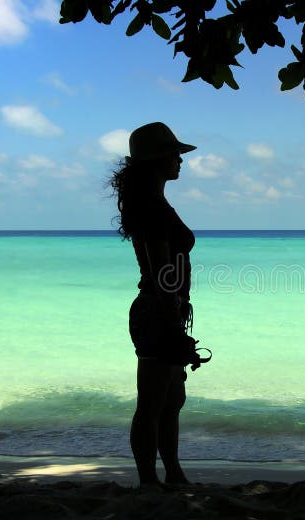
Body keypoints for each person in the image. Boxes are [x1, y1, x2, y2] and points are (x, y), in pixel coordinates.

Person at [107, 121, 197, 488]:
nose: (180, 160)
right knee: (152, 404)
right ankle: (148, 482)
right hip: (159, 312)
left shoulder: (155, 203)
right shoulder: (151, 208)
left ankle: (173, 474)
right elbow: (161, 269)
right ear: (158, 159)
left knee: (172, 400)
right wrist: (173, 322)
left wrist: (178, 310)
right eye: (174, 153)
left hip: (165, 310)